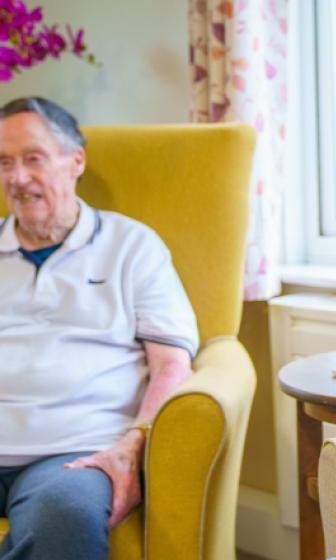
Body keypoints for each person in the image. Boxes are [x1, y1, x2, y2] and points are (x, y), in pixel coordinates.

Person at [0, 97, 197, 559]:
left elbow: (171, 363)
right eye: (5, 162)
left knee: (63, 522)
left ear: (75, 162)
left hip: (72, 455)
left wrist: (133, 443)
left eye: (33, 159)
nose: (17, 178)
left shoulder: (132, 246)